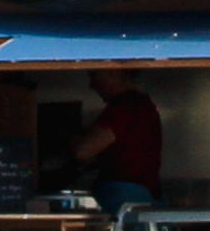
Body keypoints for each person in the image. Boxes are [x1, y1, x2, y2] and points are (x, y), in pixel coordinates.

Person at [58, 71, 167, 212]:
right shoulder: (138, 105)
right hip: (134, 195)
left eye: (94, 75)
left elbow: (83, 150)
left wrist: (65, 136)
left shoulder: (126, 106)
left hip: (126, 198)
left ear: (114, 73)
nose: (92, 85)